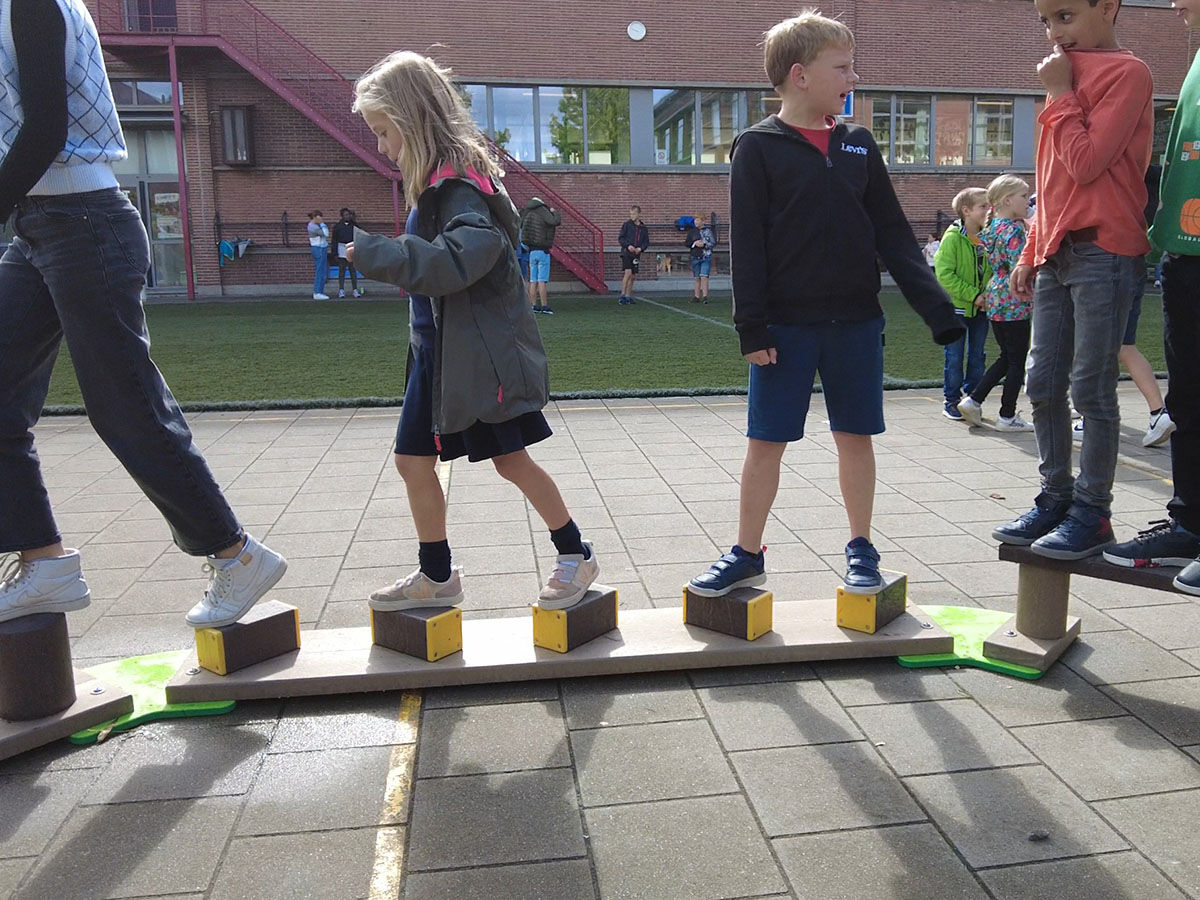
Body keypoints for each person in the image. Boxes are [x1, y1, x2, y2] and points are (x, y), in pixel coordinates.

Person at [0, 0, 287, 628]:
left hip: (83, 224)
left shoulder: (31, 5)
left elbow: (45, 130)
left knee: (124, 403)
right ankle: (43, 560)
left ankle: (236, 555)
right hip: (36, 227)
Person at [687, 11, 963, 599]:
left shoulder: (858, 144)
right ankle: (746, 553)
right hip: (784, 329)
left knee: (855, 437)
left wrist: (937, 309)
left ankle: (862, 549)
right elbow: (748, 243)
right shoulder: (758, 147)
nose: (853, 78)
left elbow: (893, 233)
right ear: (800, 75)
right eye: (842, 68)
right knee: (766, 442)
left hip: (856, 324)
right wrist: (751, 327)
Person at [345, 50, 599, 612]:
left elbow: (463, 256)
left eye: (384, 132)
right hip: (435, 356)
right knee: (413, 462)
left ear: (412, 120)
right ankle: (437, 575)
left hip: (478, 360)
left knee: (512, 461)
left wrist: (377, 253)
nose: (382, 147)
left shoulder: (459, 187)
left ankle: (576, 554)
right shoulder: (437, 186)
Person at [992, 0, 1153, 561]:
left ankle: (1092, 512)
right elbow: (1051, 181)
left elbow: (1086, 164)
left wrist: (1061, 93)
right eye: (1044, 21)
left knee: (1090, 388)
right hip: (1057, 251)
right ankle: (1056, 498)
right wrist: (1030, 249)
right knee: (1041, 383)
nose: (1053, 32)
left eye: (1064, 16)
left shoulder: (1127, 72)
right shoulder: (1060, 74)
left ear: (1107, 7)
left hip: (1104, 249)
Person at [1102, 0, 1200, 594]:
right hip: (1185, 255)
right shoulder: (1196, 59)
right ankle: (1190, 524)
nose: (1173, 4)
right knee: (1187, 402)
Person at [956, 175, 1034, 433]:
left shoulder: (993, 227)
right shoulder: (1014, 230)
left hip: (996, 295)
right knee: (1017, 360)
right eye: (1024, 196)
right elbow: (1018, 266)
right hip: (1013, 297)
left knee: (1007, 355)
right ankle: (1007, 414)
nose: (1028, 201)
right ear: (1007, 200)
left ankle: (974, 399)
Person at [934, 187, 992, 420]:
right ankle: (952, 400)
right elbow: (945, 274)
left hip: (982, 309)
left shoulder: (989, 237)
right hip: (956, 309)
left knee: (978, 356)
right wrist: (974, 295)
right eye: (983, 206)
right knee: (954, 357)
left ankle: (972, 400)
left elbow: (995, 269)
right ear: (966, 211)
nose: (988, 210)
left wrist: (988, 296)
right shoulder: (952, 238)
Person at [519, 196, 560, 314]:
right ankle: (544, 306)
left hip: (531, 251)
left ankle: (533, 305)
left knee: (533, 280)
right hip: (543, 251)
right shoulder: (543, 211)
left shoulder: (527, 212)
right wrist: (555, 212)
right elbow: (555, 222)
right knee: (542, 280)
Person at [617, 205, 649, 305]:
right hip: (626, 252)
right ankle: (622, 295)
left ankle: (628, 296)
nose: (632, 216)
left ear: (639, 214)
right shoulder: (626, 225)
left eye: (634, 214)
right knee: (628, 273)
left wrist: (640, 248)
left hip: (636, 254)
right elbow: (621, 238)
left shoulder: (643, 228)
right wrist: (628, 246)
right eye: (631, 214)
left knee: (633, 276)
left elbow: (646, 242)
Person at [331, 207, 362, 298]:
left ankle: (355, 290)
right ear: (342, 216)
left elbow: (360, 234)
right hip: (341, 247)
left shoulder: (354, 225)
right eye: (346, 215)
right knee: (342, 270)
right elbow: (334, 240)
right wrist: (335, 253)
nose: (347, 216)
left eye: (348, 215)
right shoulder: (338, 227)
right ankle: (341, 290)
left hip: (351, 247)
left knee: (352, 269)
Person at [685, 214, 716, 303]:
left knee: (704, 276)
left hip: (705, 256)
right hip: (695, 256)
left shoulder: (708, 231)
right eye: (695, 220)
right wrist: (695, 243)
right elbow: (687, 243)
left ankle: (705, 296)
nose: (696, 222)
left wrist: (704, 245)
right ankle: (696, 296)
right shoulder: (692, 231)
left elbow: (713, 242)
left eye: (698, 220)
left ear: (703, 221)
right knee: (696, 277)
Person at [307, 210, 331, 300]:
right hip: (318, 249)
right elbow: (326, 234)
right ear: (315, 217)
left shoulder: (315, 225)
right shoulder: (313, 226)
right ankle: (317, 292)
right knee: (320, 270)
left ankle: (320, 291)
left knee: (323, 270)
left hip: (322, 248)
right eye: (320, 217)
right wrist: (322, 224)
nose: (321, 218)